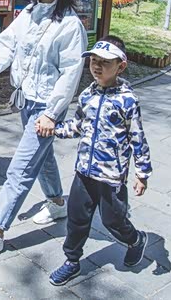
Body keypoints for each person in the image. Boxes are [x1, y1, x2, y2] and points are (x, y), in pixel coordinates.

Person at [0, 0, 87, 257]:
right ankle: (57, 203)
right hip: (26, 99)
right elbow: (7, 43)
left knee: (21, 167)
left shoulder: (70, 26)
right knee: (41, 156)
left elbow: (70, 73)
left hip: (47, 106)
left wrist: (51, 114)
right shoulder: (29, 13)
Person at [47, 35, 152, 286]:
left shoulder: (127, 100)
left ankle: (136, 240)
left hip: (111, 176)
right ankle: (72, 261)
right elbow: (78, 125)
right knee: (76, 218)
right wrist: (54, 129)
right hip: (84, 171)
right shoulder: (87, 94)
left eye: (105, 62)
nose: (97, 66)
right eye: (94, 60)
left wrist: (142, 173)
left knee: (113, 221)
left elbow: (137, 137)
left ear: (120, 66)